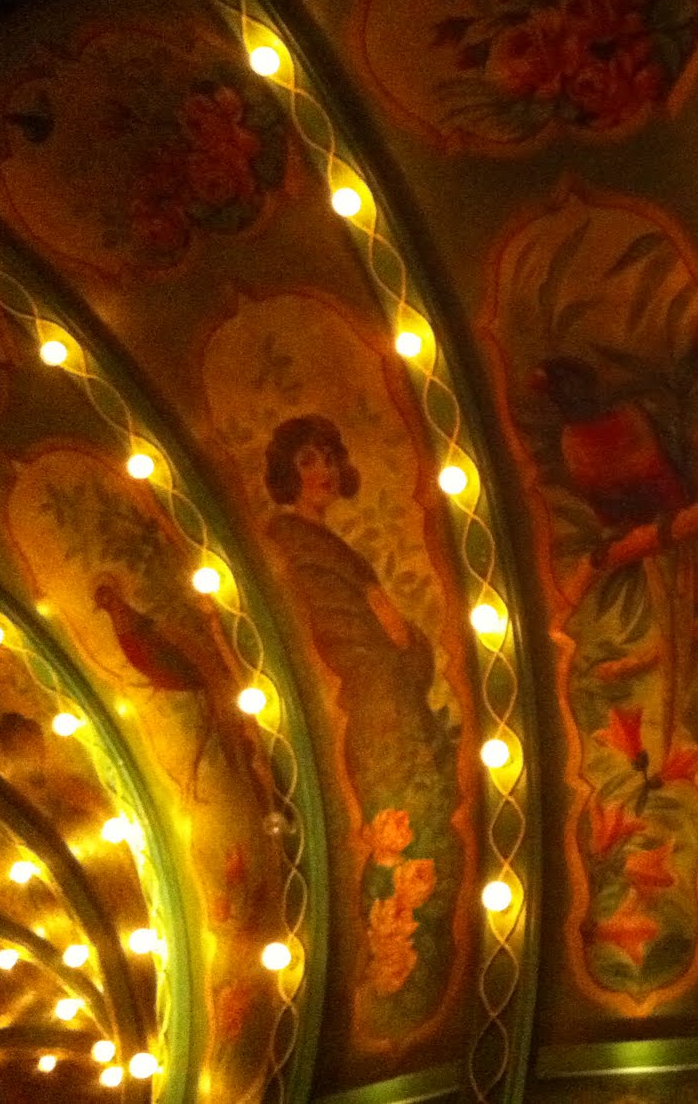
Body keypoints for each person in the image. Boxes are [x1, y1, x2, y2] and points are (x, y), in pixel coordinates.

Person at [262, 414, 461, 1022]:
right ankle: (394, 973)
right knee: (402, 828)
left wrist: (405, 640)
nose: (322, 471)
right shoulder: (293, 542)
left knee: (424, 821)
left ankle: (412, 967)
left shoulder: (330, 546)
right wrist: (393, 640)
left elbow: (396, 634)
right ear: (286, 472)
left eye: (328, 457)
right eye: (306, 461)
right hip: (377, 705)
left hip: (392, 696)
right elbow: (344, 633)